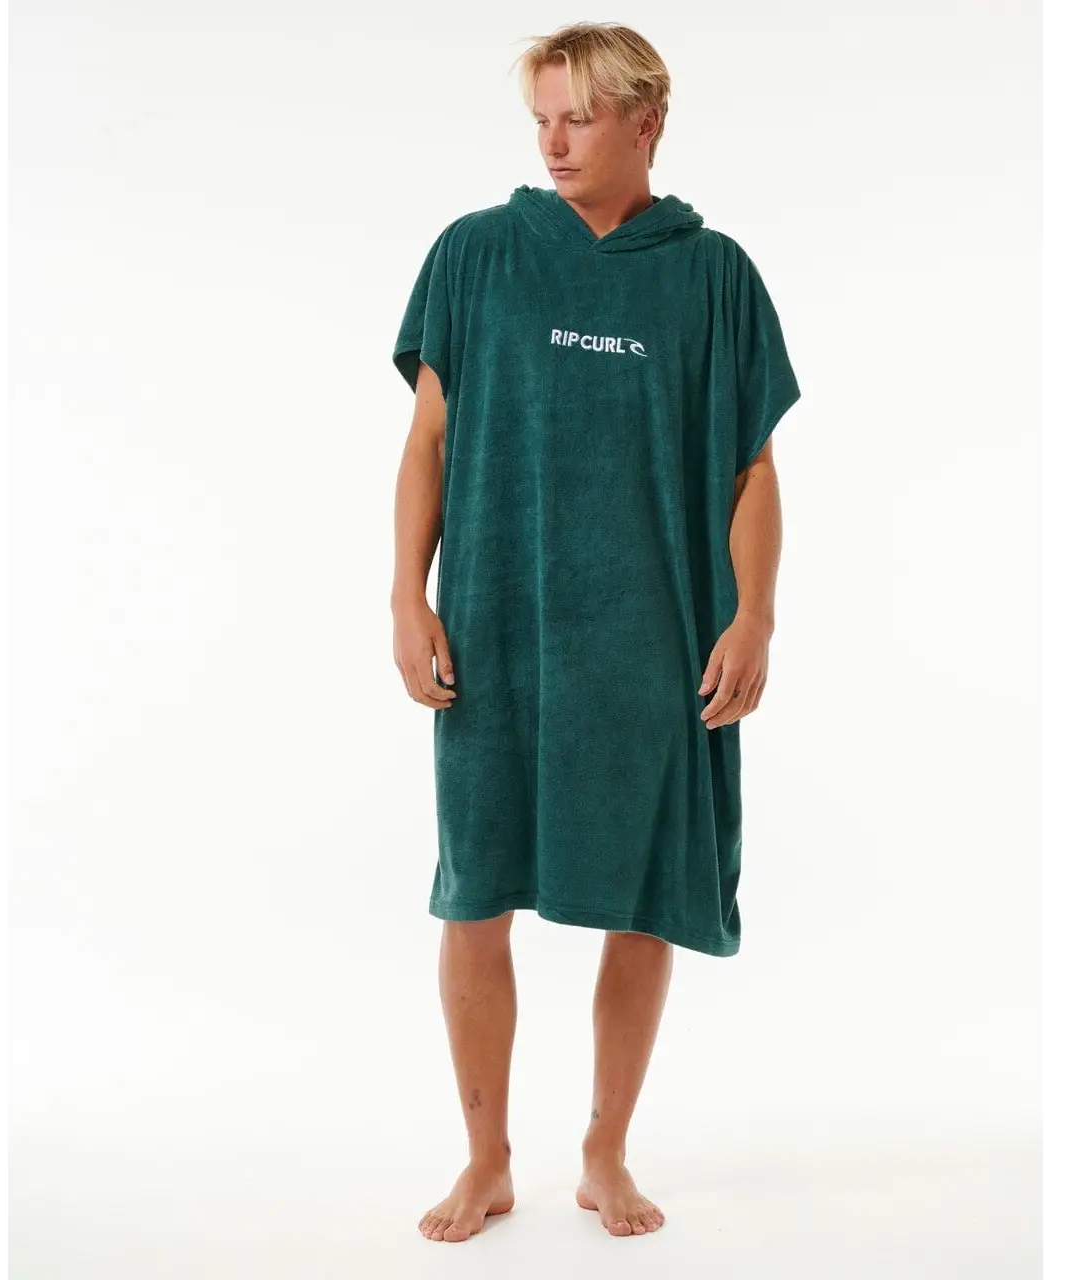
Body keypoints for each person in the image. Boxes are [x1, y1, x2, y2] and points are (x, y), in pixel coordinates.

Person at [390, 21, 801, 1243]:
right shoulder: (476, 254)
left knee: (645, 897)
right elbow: (427, 440)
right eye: (539, 118)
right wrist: (407, 596)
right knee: (473, 893)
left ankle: (602, 1151)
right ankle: (484, 1158)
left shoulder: (712, 275)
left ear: (644, 122)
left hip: (651, 642)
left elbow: (751, 471)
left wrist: (753, 615)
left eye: (576, 116)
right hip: (497, 638)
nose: (553, 141)